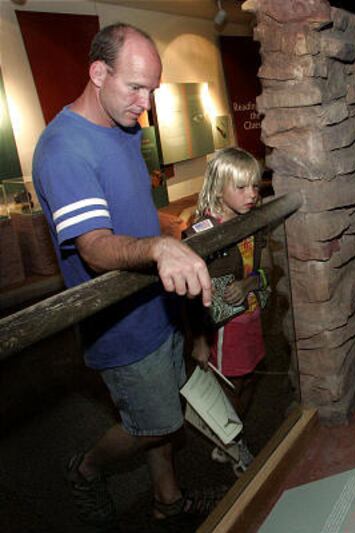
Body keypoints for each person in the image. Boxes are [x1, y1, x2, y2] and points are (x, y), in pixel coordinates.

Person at [32, 23, 223, 527]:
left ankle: (168, 499)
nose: (145, 103)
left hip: (157, 306)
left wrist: (169, 228)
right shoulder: (63, 149)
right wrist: (159, 247)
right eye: (136, 87)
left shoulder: (125, 127)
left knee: (158, 412)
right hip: (121, 327)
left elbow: (128, 207)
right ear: (98, 73)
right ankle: (86, 467)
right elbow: (94, 248)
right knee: (157, 423)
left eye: (152, 90)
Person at [184, 147, 268, 476]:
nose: (252, 195)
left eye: (255, 186)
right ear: (219, 188)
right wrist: (199, 341)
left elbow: (263, 270)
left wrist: (250, 284)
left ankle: (231, 437)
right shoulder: (202, 232)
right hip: (223, 328)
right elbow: (190, 293)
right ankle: (231, 445)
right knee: (230, 388)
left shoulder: (252, 220)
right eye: (242, 187)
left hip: (250, 317)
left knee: (248, 380)